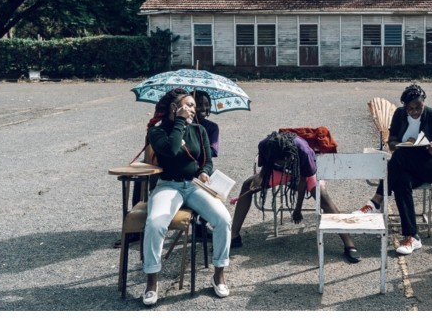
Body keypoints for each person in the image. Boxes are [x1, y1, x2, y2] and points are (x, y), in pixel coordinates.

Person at [141, 88, 232, 305]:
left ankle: (219, 274)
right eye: (189, 105)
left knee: (223, 220)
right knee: (155, 223)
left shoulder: (199, 130)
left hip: (194, 185)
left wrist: (204, 172)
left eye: (193, 106)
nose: (194, 109)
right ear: (175, 107)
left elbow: (208, 160)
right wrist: (180, 122)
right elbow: (171, 149)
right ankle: (151, 281)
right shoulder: (157, 131)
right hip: (168, 186)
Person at [229, 129, 361, 261]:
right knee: (247, 185)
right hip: (277, 172)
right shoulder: (265, 145)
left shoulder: (303, 151)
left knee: (322, 196)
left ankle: (349, 243)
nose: (282, 163)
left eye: (284, 160)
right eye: (279, 161)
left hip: (303, 171)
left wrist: (297, 210)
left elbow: (302, 182)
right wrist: (261, 176)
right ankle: (234, 236)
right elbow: (266, 164)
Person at [353, 84, 432, 256]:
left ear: (423, 103)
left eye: (418, 107)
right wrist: (398, 145)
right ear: (405, 107)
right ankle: (412, 237)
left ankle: (376, 200)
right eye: (411, 108)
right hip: (410, 165)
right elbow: (391, 141)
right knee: (401, 182)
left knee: (399, 158)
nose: (415, 112)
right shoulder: (399, 115)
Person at [192, 90, 219, 158]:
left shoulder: (212, 127)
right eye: (199, 105)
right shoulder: (182, 124)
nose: (204, 108)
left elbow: (213, 151)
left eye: (207, 105)